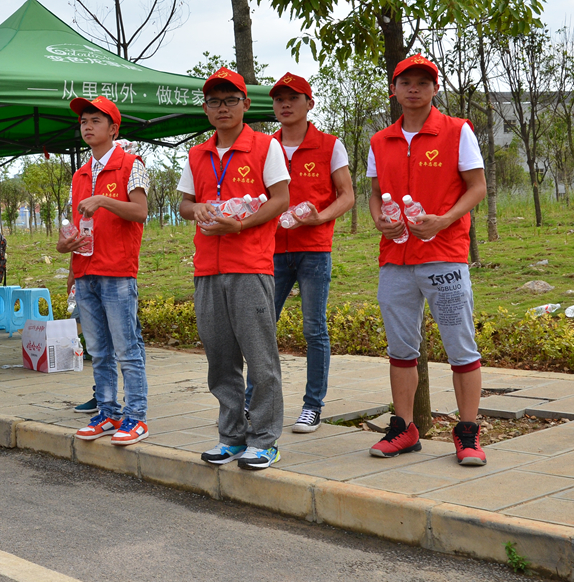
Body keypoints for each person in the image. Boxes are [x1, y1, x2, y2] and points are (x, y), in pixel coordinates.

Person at [367, 55, 488, 466]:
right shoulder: (380, 140)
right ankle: (404, 429)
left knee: (460, 346)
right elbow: (374, 192)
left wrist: (445, 219)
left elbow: (477, 187)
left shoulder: (458, 131)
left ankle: (468, 433)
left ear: (435, 88)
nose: (414, 88)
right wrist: (379, 220)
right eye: (406, 82)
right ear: (394, 90)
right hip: (396, 258)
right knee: (401, 349)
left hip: (444, 257)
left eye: (423, 81)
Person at [178, 67, 290, 470]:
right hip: (208, 267)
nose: (221, 108)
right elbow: (184, 204)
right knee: (220, 359)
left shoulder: (264, 147)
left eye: (230, 100)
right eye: (214, 101)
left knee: (260, 359)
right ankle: (230, 435)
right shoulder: (198, 153)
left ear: (245, 104)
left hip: (250, 265)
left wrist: (240, 224)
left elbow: (280, 199)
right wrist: (198, 209)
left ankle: (264, 439)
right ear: (205, 109)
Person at [57, 95, 151, 447]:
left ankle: (136, 416)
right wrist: (68, 255)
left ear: (113, 128)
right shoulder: (80, 174)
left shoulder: (133, 164)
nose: (87, 126)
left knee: (127, 348)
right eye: (83, 121)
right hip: (86, 271)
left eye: (96, 120)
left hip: (117, 272)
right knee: (98, 349)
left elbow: (140, 212)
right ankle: (109, 412)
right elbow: (79, 225)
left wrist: (102, 201)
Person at [263, 73, 355, 433]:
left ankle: (312, 406)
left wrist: (321, 217)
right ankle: (260, 404)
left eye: (293, 98)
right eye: (279, 99)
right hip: (270, 251)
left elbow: (346, 195)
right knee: (261, 327)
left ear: (309, 104)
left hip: (314, 250)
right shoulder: (264, 147)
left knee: (314, 328)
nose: (285, 104)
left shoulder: (330, 145)